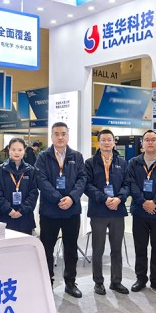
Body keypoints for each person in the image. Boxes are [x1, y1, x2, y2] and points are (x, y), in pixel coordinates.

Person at [35, 122, 87, 298]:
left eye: (63, 134)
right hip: (50, 211)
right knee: (47, 249)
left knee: (70, 249)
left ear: (68, 136)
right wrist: (58, 198)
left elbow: (82, 179)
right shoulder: (43, 157)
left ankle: (70, 283)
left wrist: (71, 198)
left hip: (71, 211)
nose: (60, 137)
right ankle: (47, 283)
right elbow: (41, 180)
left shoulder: (77, 156)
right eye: (56, 134)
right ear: (51, 136)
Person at [84, 129, 131, 295]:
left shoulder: (122, 162)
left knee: (116, 249)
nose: (106, 142)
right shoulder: (90, 163)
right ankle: (98, 282)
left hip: (117, 211)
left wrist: (119, 199)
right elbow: (87, 186)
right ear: (98, 142)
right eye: (103, 140)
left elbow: (127, 184)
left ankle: (116, 281)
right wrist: (104, 199)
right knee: (98, 249)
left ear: (114, 142)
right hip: (98, 211)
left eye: (109, 140)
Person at [127, 130, 156, 293]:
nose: (150, 142)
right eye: (147, 139)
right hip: (139, 212)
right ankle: (140, 279)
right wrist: (143, 202)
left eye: (154, 139)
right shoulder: (134, 162)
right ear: (142, 143)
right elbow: (131, 184)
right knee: (140, 247)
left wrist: (155, 202)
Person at [0, 138, 39, 235]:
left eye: (20, 150)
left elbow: (33, 194)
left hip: (25, 219)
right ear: (8, 149)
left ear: (24, 150)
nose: (16, 152)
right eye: (13, 149)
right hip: (5, 218)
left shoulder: (30, 171)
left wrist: (21, 210)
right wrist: (9, 210)